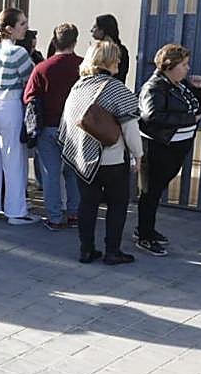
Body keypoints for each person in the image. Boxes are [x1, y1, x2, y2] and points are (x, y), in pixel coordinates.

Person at [59, 41, 144, 265]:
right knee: (117, 204)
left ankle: (86, 250)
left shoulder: (78, 87)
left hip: (81, 158)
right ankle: (112, 252)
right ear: (107, 61)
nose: (119, 61)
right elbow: (130, 128)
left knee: (87, 204)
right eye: (115, 58)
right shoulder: (117, 88)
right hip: (112, 160)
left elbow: (66, 122)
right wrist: (138, 155)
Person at [136, 43, 201, 256]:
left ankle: (146, 229)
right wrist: (188, 119)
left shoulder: (178, 83)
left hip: (176, 147)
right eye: (184, 64)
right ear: (170, 66)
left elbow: (200, 105)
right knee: (150, 192)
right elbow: (151, 116)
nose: (188, 68)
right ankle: (145, 235)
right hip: (158, 148)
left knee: (157, 191)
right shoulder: (155, 86)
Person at [0, 7, 38, 224]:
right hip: (9, 105)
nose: (26, 28)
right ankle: (15, 212)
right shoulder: (18, 52)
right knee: (13, 161)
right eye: (22, 24)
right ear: (9, 29)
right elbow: (31, 79)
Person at [23, 23, 83, 230]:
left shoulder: (42, 68)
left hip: (48, 126)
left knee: (51, 173)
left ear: (55, 40)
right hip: (76, 128)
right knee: (73, 172)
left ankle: (55, 217)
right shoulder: (84, 67)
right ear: (75, 41)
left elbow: (29, 97)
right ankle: (74, 213)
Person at [91, 14, 130, 86]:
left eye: (95, 27)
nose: (92, 30)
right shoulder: (122, 50)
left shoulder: (120, 51)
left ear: (103, 30)